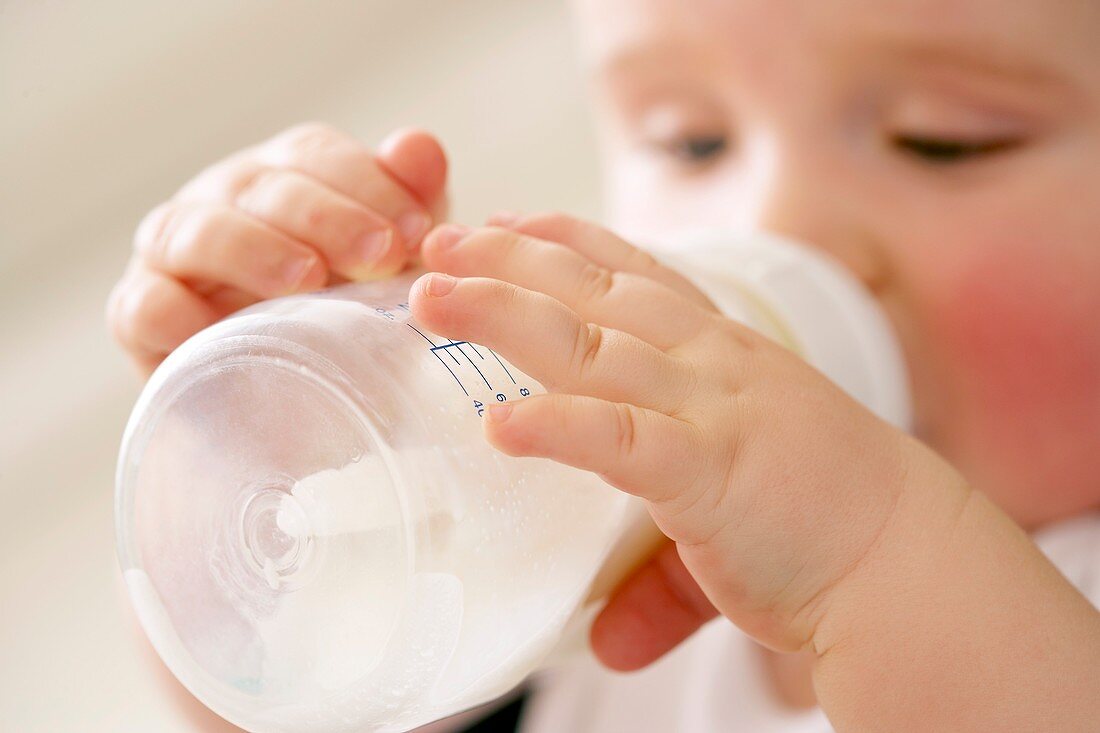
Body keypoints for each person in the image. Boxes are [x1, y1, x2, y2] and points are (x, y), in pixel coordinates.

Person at [107, 0, 1100, 729]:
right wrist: (273, 462)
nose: (773, 226)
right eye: (690, 141)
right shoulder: (599, 557)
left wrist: (867, 544)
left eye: (943, 142)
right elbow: (324, 688)